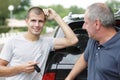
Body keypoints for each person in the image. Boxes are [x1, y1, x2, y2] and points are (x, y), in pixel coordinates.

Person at [0, 7, 78, 80]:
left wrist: (56, 16)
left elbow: (73, 40)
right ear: (27, 21)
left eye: (40, 21)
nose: (37, 25)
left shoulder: (48, 43)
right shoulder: (13, 41)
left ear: (44, 22)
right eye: (33, 20)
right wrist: (21, 68)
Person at [65, 2, 120, 80]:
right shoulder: (93, 39)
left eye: (86, 23)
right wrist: (69, 78)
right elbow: (85, 58)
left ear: (97, 24)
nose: (83, 27)